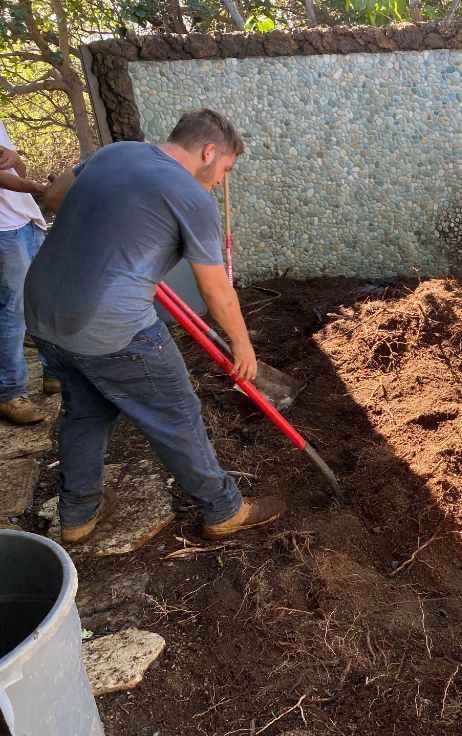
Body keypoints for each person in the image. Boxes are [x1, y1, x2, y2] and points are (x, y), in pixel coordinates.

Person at [25, 109, 285, 544]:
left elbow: (52, 200)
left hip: (44, 316)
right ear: (208, 152)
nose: (221, 181)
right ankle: (224, 509)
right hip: (111, 327)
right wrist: (243, 346)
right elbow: (216, 290)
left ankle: (77, 513)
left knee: (86, 412)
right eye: (224, 169)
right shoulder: (190, 195)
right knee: (176, 414)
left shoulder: (114, 153)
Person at [0, 119, 59, 425]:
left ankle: (53, 371)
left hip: (26, 219)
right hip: (3, 230)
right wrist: (42, 188)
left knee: (41, 299)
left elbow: (14, 170)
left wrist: (17, 159)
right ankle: (9, 392)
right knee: (13, 310)